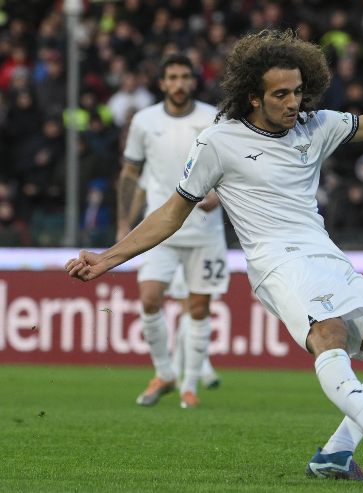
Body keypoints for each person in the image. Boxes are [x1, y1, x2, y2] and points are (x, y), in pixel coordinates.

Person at [67, 29, 363, 478]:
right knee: (330, 332)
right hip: (276, 262)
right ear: (253, 98)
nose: (293, 102)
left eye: (298, 91)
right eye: (281, 94)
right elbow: (171, 213)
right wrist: (109, 258)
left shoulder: (316, 126)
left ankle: (334, 455)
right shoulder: (217, 142)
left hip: (325, 256)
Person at [116, 54, 230, 409]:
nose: (179, 83)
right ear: (162, 83)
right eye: (172, 77)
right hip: (158, 228)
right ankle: (164, 372)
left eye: (185, 77)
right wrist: (124, 223)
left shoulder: (215, 118)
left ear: (193, 81)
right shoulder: (144, 122)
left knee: (198, 308)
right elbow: (131, 174)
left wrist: (219, 193)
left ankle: (189, 386)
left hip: (204, 230)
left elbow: (236, 169)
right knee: (150, 298)